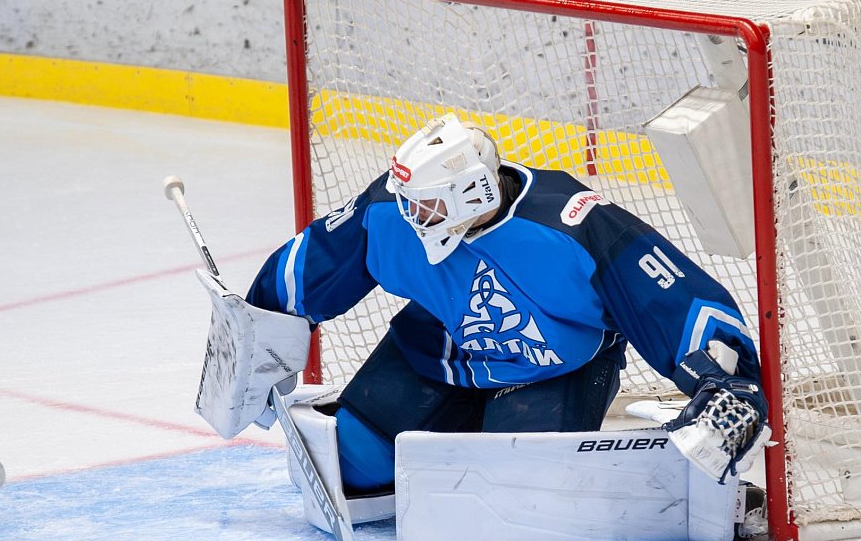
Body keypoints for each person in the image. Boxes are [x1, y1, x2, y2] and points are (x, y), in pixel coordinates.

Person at [244, 113, 768, 516]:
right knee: (350, 463)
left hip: (554, 363)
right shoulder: (394, 210)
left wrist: (729, 385)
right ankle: (461, 425)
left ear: (472, 191)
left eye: (424, 204)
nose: (408, 213)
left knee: (522, 490)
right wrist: (260, 329)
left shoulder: (571, 223)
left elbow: (673, 295)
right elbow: (316, 260)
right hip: (442, 345)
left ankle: (496, 433)